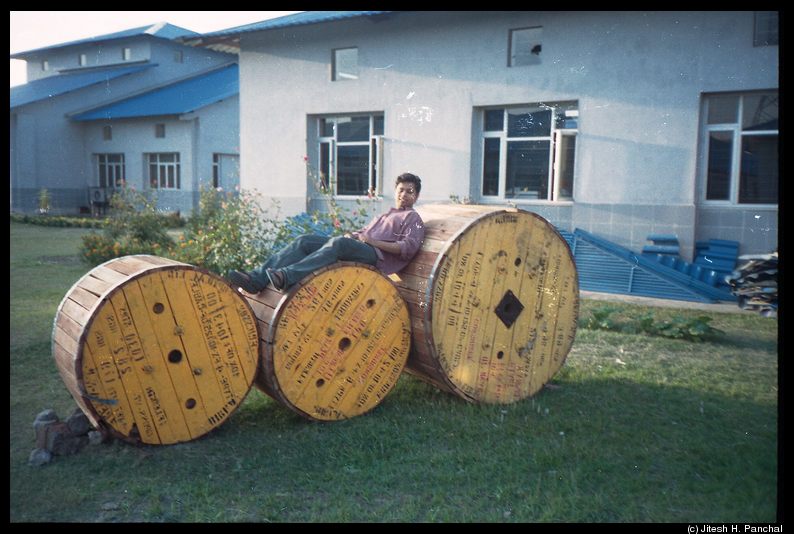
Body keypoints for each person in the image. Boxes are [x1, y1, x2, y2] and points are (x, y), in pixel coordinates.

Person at [227, 173, 425, 293]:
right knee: (305, 241)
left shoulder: (413, 218)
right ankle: (257, 279)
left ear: (416, 196)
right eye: (401, 190)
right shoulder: (387, 213)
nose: (404, 195)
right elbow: (364, 232)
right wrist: (353, 235)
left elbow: (407, 249)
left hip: (377, 257)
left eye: (409, 191)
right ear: (395, 191)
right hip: (361, 247)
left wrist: (372, 242)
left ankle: (286, 276)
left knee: (339, 244)